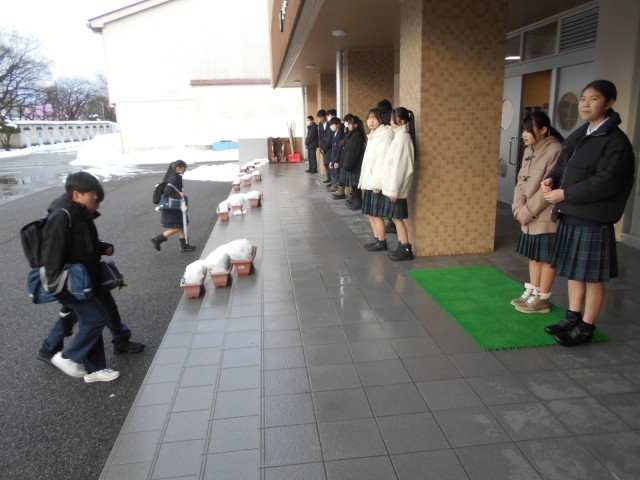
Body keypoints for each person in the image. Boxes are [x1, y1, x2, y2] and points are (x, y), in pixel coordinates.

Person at [541, 80, 635, 346]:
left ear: (609, 103)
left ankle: (586, 326)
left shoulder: (616, 142)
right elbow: (564, 165)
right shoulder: (582, 133)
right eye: (583, 98)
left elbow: (605, 182)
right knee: (574, 271)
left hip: (593, 218)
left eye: (594, 99)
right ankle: (572, 317)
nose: (585, 104)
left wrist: (565, 194)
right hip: (572, 212)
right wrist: (552, 179)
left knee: (591, 276)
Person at [39, 172, 120, 383]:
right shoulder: (61, 217)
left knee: (92, 320)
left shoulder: (79, 213)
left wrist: (102, 247)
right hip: (71, 283)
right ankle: (67, 357)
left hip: (84, 279)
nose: (97, 206)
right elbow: (51, 260)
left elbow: (83, 245)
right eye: (94, 200)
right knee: (96, 319)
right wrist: (63, 294)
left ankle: (94, 371)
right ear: (77, 195)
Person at [511, 112, 564, 313]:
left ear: (544, 129)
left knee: (546, 258)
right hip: (527, 214)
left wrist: (526, 212)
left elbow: (548, 189)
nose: (524, 134)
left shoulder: (555, 149)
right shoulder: (529, 149)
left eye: (528, 130)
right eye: (523, 130)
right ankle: (533, 292)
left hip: (545, 216)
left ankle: (543, 298)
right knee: (534, 256)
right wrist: (517, 208)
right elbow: (520, 182)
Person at [381, 107, 416, 261]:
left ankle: (406, 247)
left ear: (401, 121)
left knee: (397, 218)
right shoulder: (400, 137)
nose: (390, 122)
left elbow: (399, 167)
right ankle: (402, 246)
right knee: (395, 218)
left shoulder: (403, 139)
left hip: (396, 187)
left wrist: (394, 190)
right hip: (393, 186)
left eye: (392, 119)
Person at [359, 108, 393, 251]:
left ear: (381, 120)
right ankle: (377, 238)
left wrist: (377, 184)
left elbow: (382, 161)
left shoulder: (384, 135)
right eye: (369, 118)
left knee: (377, 214)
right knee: (371, 213)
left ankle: (382, 241)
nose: (371, 121)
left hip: (376, 182)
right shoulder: (373, 135)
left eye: (374, 118)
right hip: (369, 180)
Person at [151, 160, 196, 252]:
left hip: (175, 207)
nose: (184, 171)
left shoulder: (175, 176)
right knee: (178, 227)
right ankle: (158, 239)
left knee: (182, 224)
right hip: (173, 207)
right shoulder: (174, 178)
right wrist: (179, 195)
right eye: (184, 169)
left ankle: (184, 245)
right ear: (178, 168)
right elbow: (167, 191)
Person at [341, 115, 366, 210]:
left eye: (349, 123)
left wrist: (347, 165)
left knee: (355, 185)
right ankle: (355, 200)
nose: (348, 125)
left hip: (354, 165)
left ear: (355, 125)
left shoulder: (355, 136)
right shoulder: (353, 134)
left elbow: (353, 152)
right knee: (354, 185)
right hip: (353, 165)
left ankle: (357, 202)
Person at [320, 110, 335, 184]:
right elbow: (320, 136)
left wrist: (324, 148)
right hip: (324, 147)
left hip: (329, 148)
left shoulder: (332, 126)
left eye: (328, 115)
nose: (327, 117)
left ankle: (332, 182)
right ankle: (328, 178)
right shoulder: (320, 124)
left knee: (329, 164)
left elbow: (329, 140)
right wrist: (321, 147)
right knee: (326, 163)